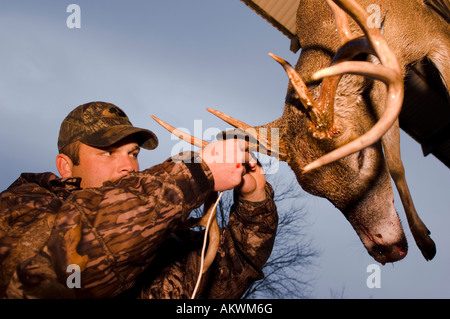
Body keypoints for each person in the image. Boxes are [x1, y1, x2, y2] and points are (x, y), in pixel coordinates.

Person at [0, 101, 278, 299]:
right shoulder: (20, 208)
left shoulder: (162, 240)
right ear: (65, 167)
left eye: (132, 153)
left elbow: (226, 277)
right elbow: (58, 264)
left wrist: (253, 201)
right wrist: (194, 174)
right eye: (108, 153)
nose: (129, 167)